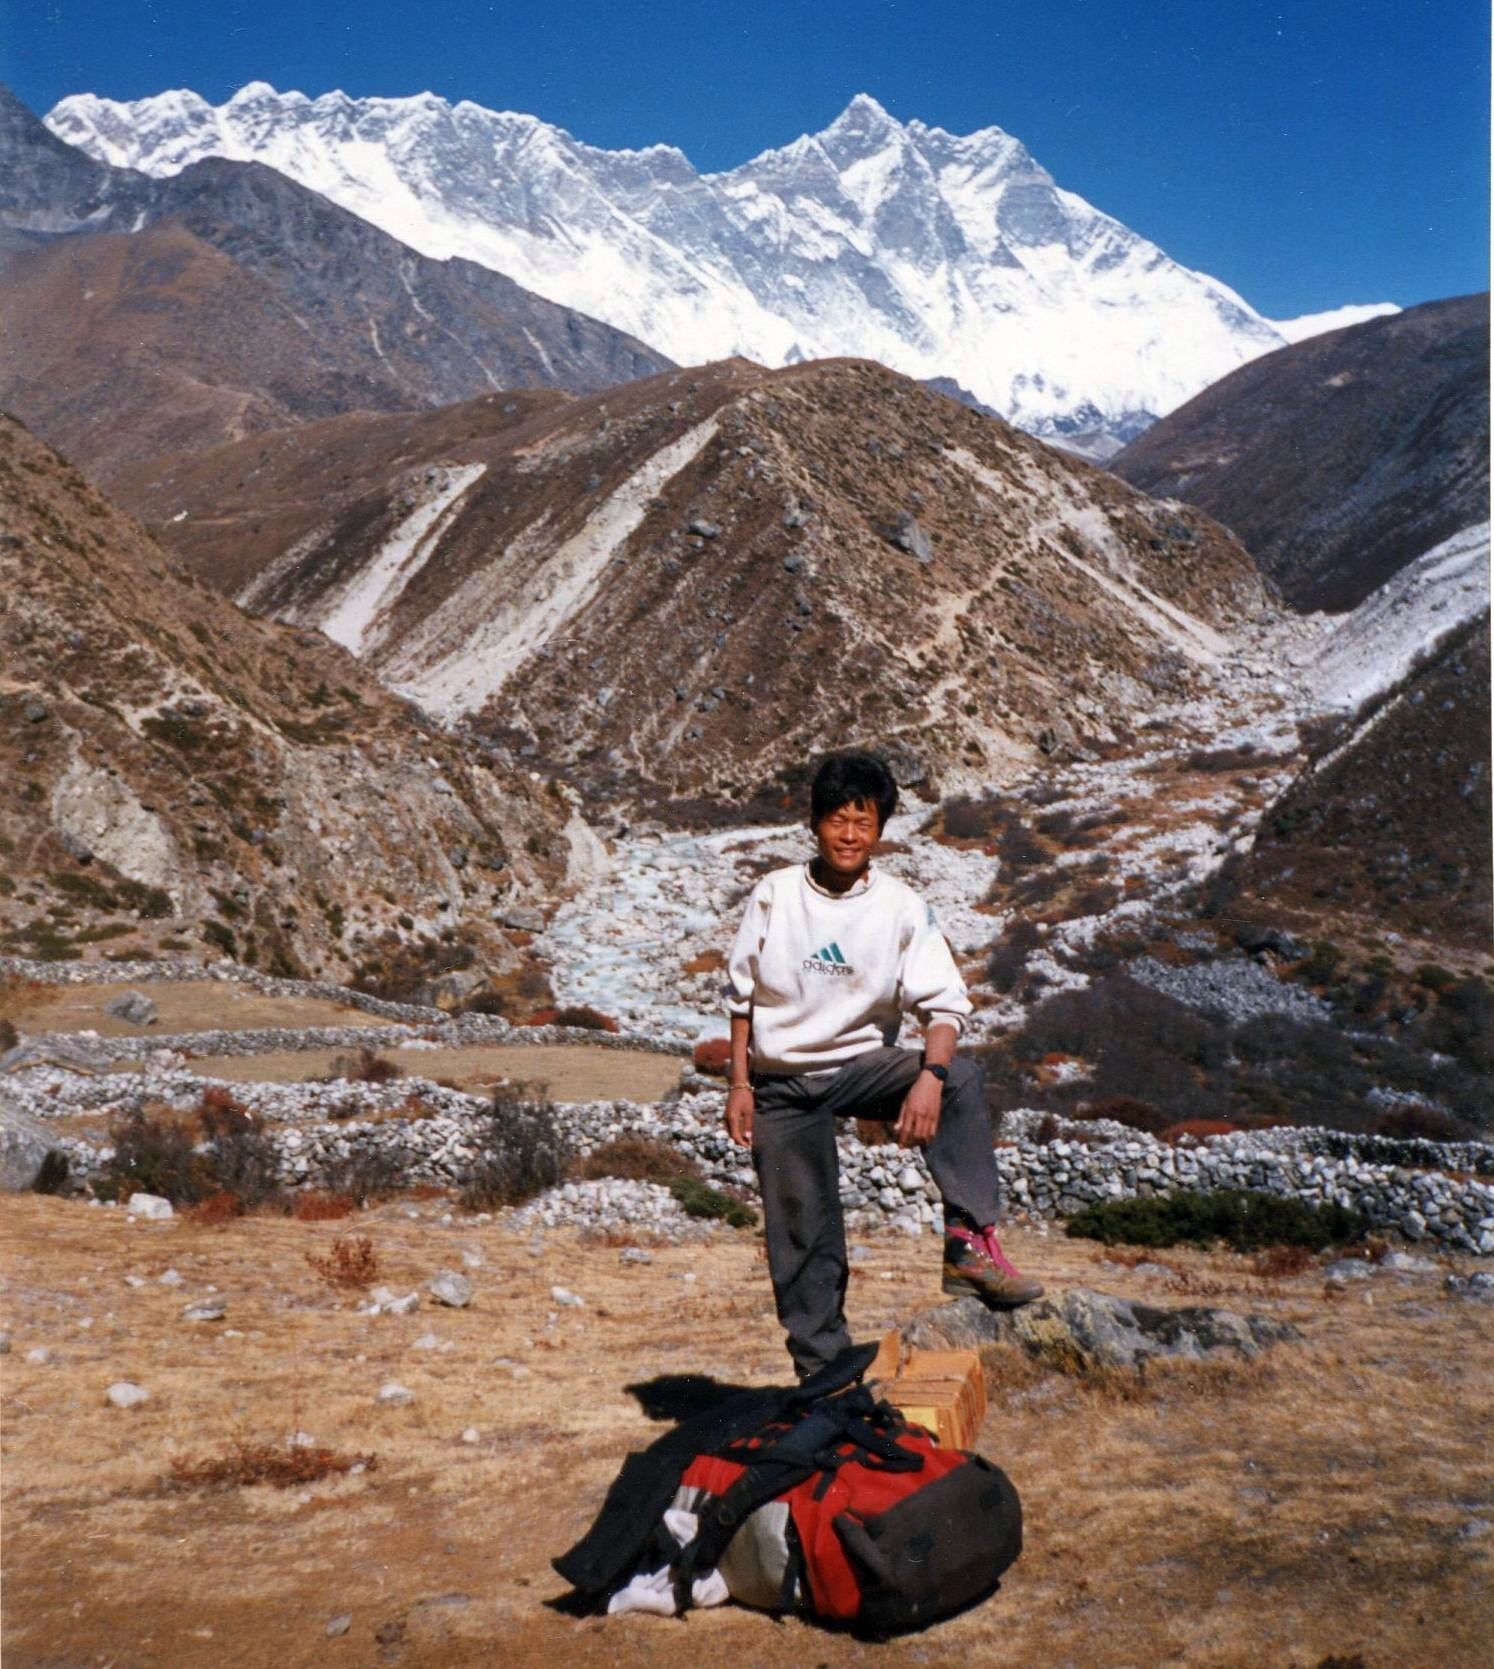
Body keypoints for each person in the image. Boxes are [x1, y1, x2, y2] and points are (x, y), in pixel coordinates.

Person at [724, 749, 1043, 1379]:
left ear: (881, 830)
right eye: (838, 820)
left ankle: (968, 1245)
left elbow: (946, 1006)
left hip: (859, 1066)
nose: (849, 835)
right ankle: (823, 1376)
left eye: (863, 822)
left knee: (962, 1079)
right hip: (781, 1082)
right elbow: (741, 997)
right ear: (814, 824)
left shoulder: (901, 906)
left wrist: (929, 1077)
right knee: (803, 1236)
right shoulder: (774, 895)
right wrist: (739, 1084)